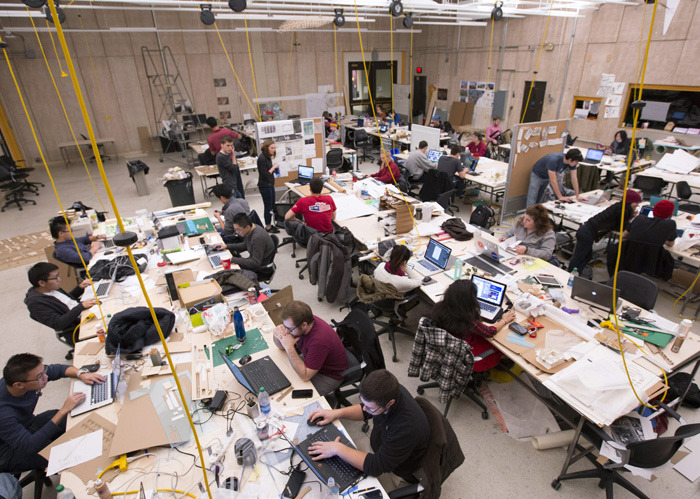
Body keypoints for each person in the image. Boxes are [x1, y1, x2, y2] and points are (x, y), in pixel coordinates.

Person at [306, 369, 430, 482]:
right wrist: (336, 413)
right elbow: (365, 410)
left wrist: (337, 448)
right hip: (385, 446)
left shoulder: (405, 428)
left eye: (370, 408)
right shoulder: (390, 391)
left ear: (389, 403)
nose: (365, 409)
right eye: (363, 402)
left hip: (400, 468)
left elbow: (377, 466)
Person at [0, 353, 104, 473]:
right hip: (9, 451)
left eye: (43, 371)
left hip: (26, 425)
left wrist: (82, 374)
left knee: (75, 420)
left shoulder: (23, 378)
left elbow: (58, 369)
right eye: (40, 376)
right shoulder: (3, 414)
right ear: (18, 385)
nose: (45, 377)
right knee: (66, 454)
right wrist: (63, 410)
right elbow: (29, 446)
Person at [432, 280, 516, 372]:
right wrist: (504, 320)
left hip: (446, 347)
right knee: (498, 345)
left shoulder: (439, 307)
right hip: (463, 353)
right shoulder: (467, 319)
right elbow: (490, 332)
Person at [273, 301, 348, 395]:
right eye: (285, 326)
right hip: (313, 359)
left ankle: (330, 403)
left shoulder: (319, 340)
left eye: (289, 328)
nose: (287, 331)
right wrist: (277, 333)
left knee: (293, 394)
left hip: (330, 375)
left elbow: (305, 376)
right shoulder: (301, 323)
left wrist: (289, 348)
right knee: (281, 373)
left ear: (304, 325)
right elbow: (280, 347)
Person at [24, 263, 97, 359]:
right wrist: (81, 307)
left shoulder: (50, 288)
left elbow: (66, 302)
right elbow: (58, 323)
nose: (59, 279)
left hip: (84, 313)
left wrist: (79, 288)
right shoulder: (36, 303)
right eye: (55, 277)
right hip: (79, 327)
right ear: (42, 283)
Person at [567, 189, 642, 273]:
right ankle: (570, 274)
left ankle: (576, 273)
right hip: (587, 234)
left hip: (586, 231)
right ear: (630, 202)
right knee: (579, 257)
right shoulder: (622, 210)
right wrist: (632, 218)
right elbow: (620, 227)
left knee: (586, 257)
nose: (637, 205)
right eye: (636, 202)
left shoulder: (619, 206)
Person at [257, 139, 280, 233]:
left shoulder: (267, 157)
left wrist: (273, 169)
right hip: (265, 186)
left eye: (274, 148)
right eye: (272, 148)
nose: (273, 150)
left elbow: (268, 171)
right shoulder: (261, 158)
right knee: (268, 206)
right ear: (266, 148)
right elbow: (265, 174)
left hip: (270, 184)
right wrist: (273, 168)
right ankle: (268, 226)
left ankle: (271, 223)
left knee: (272, 205)